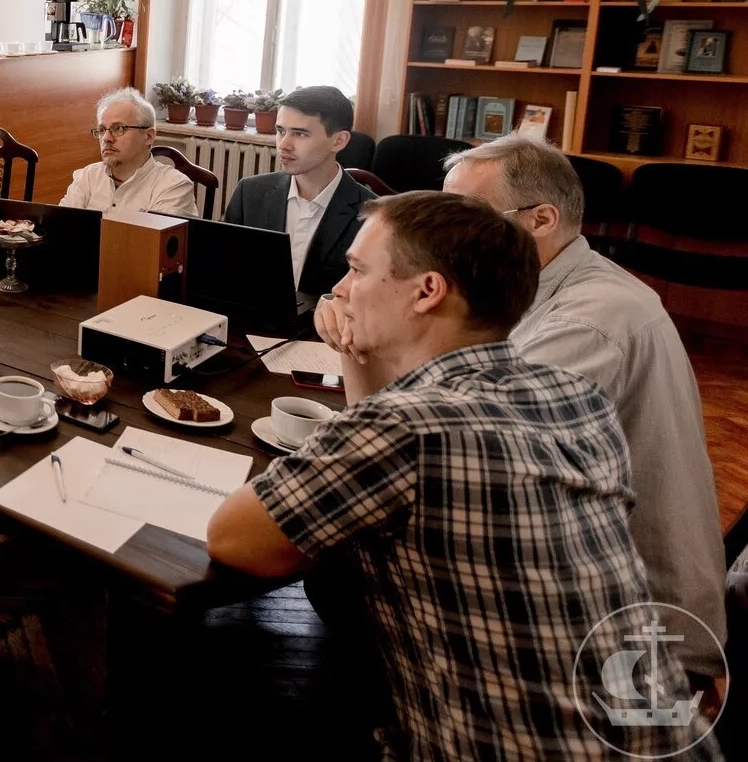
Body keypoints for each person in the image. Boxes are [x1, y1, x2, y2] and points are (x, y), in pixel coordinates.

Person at [208, 191, 717, 762]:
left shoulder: (412, 427)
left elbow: (235, 539)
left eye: (355, 271)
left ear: (427, 291)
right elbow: (374, 446)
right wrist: (356, 343)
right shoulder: (576, 398)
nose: (342, 290)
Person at [317, 135, 727, 684]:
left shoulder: (587, 321)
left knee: (340, 569)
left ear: (540, 220)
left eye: (466, 212)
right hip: (555, 577)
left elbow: (444, 458)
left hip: (628, 636)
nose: (442, 230)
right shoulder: (512, 290)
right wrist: (360, 333)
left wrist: (370, 336)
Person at [223, 84, 374, 311]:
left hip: (324, 338)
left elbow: (366, 304)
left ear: (339, 141)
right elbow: (223, 273)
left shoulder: (372, 216)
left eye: (300, 134)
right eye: (280, 131)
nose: (284, 144)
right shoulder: (250, 193)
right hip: (250, 323)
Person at [58, 87, 198, 217]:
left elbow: (152, 242)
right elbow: (60, 228)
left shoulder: (173, 186)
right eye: (101, 130)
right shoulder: (87, 176)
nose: (106, 138)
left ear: (148, 136)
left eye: (118, 128)